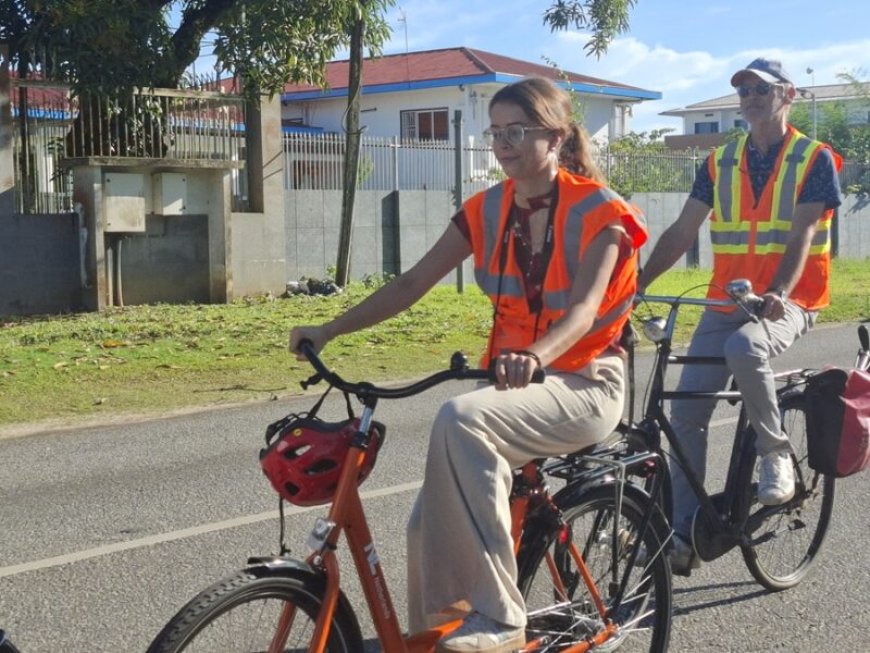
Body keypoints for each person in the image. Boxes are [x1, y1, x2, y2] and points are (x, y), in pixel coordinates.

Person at [289, 76, 647, 653]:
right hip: (514, 389)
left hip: (584, 382)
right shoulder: (487, 210)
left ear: (555, 138)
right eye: (496, 133)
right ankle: (444, 638)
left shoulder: (600, 212)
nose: (503, 144)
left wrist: (534, 356)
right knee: (426, 528)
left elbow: (582, 312)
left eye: (518, 132)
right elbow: (410, 283)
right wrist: (329, 330)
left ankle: (501, 618)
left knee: (461, 418)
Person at [637, 58, 843, 575]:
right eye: (743, 88)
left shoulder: (814, 158)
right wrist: (634, 285)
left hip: (791, 299)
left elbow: (800, 235)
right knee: (684, 413)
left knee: (745, 347)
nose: (750, 95)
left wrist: (778, 292)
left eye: (761, 88)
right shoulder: (720, 161)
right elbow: (683, 230)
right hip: (724, 300)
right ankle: (683, 534)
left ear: (788, 94)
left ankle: (775, 453)